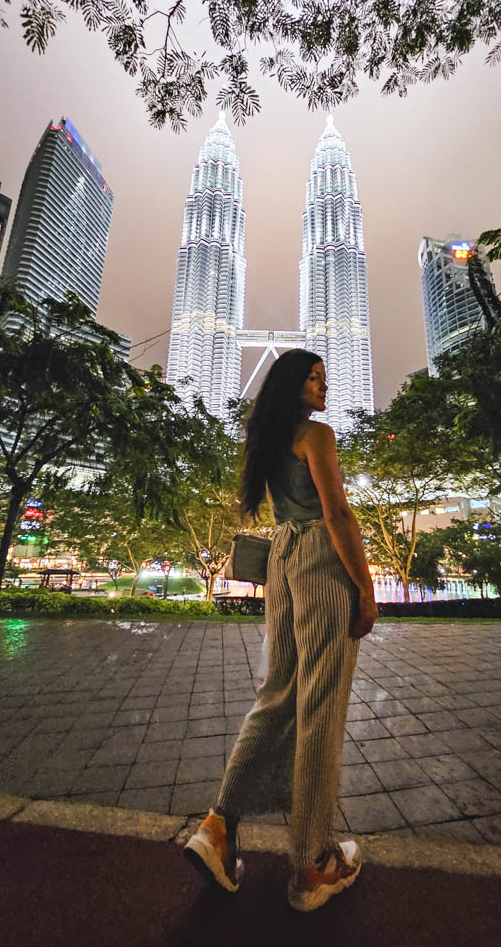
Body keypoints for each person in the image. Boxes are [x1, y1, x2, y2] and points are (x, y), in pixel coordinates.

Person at [184, 349, 377, 912]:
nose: (324, 386)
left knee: (277, 696)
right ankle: (315, 862)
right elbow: (337, 512)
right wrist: (365, 589)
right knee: (320, 703)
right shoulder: (316, 435)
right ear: (293, 385)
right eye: (315, 377)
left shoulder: (267, 437)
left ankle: (218, 826)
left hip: (283, 558)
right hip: (319, 557)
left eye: (325, 376)